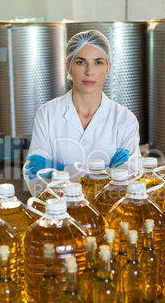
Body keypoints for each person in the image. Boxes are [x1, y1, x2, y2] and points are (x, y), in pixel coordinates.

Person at [23, 30, 141, 196]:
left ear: (109, 67)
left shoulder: (125, 120)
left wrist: (61, 171)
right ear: (68, 66)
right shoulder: (47, 114)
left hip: (108, 214)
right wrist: (108, 173)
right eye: (80, 62)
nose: (89, 71)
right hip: (60, 214)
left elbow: (131, 178)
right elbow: (35, 178)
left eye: (98, 62)